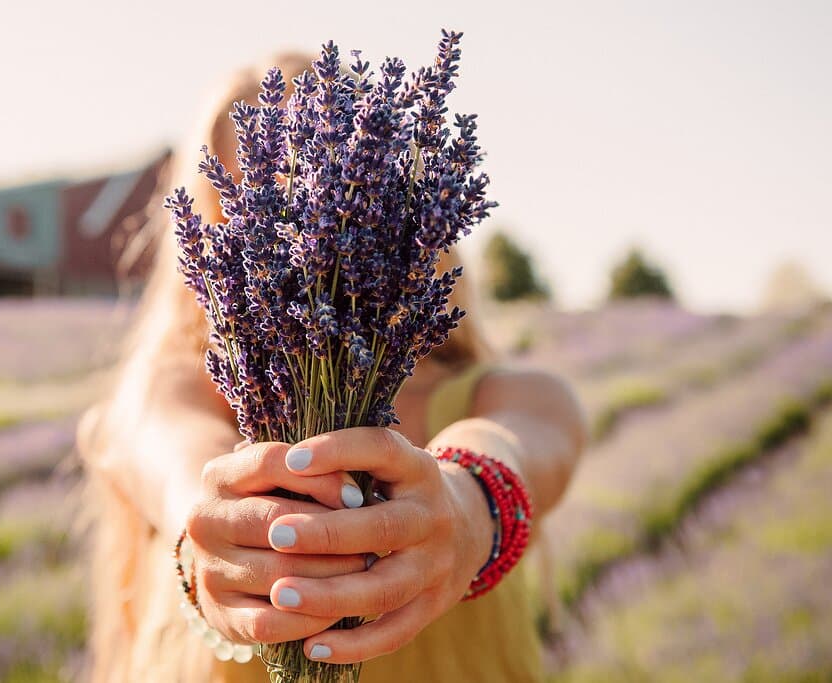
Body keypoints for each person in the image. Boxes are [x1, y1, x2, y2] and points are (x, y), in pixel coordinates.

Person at [78, 52, 587, 683]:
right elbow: (166, 453)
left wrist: (465, 504)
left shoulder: (511, 396)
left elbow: (523, 440)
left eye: (317, 195)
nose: (292, 232)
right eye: (250, 206)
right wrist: (209, 531)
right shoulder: (171, 391)